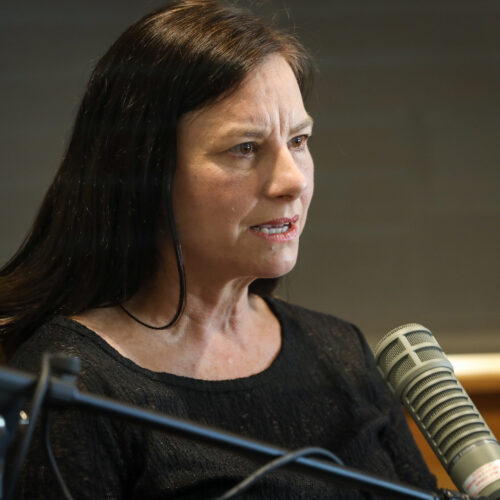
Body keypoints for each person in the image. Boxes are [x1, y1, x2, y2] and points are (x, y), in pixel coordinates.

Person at [0, 1, 439, 498]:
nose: (291, 181)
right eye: (244, 148)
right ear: (144, 173)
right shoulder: (71, 385)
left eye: (298, 140)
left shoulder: (340, 352)